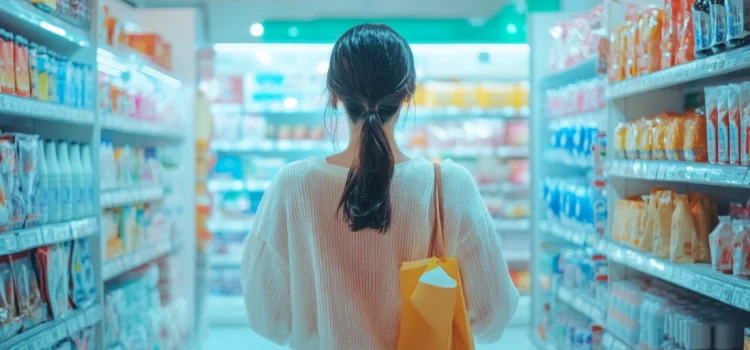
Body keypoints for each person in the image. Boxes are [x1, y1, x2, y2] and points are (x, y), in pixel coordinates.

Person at [241, 24, 519, 349]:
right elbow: (493, 314)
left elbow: (266, 314)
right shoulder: (448, 186)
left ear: (333, 95)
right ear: (408, 93)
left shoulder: (293, 185)